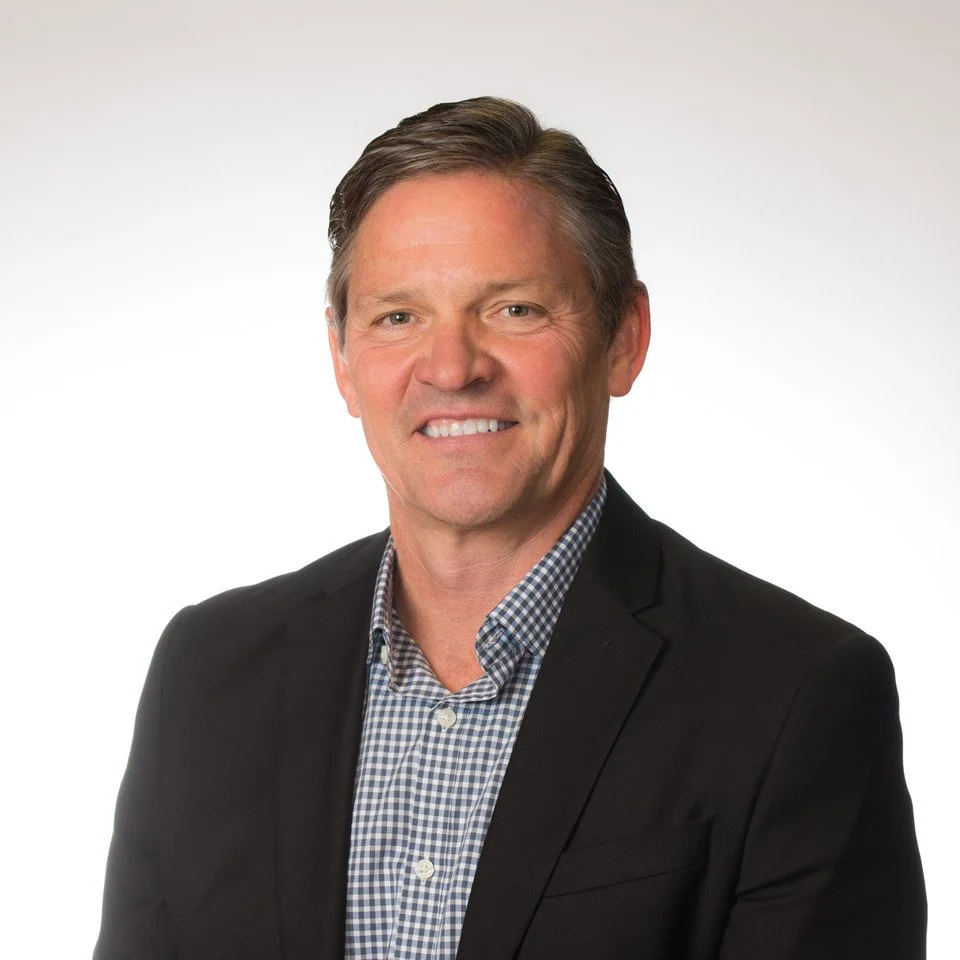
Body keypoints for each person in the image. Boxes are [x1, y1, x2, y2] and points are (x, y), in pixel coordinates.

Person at [94, 97, 926, 960]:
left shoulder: (794, 693)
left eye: (514, 309)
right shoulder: (210, 672)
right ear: (342, 359)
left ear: (623, 338)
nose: (452, 367)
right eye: (398, 316)